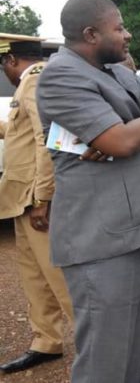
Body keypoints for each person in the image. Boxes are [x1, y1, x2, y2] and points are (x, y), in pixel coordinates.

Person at [36, 0, 140, 383]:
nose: (127, 34)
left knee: (132, 357)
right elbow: (121, 142)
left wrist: (131, 131)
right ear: (90, 34)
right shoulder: (60, 75)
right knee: (104, 362)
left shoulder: (121, 74)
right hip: (100, 241)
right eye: (118, 28)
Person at [0, 36, 73, 374]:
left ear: (12, 60)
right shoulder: (30, 83)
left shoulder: (35, 80)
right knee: (35, 277)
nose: (6, 71)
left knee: (60, 276)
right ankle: (47, 341)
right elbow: (22, 132)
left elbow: (48, 140)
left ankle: (97, 344)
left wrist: (44, 198)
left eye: (4, 64)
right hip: (21, 198)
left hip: (36, 198)